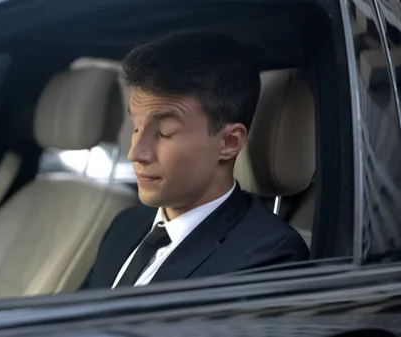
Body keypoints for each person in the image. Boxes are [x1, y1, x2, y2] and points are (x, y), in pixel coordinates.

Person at [80, 30, 309, 290]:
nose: (136, 153)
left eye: (164, 133)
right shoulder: (126, 225)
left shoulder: (267, 255)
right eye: (136, 128)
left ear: (229, 142)